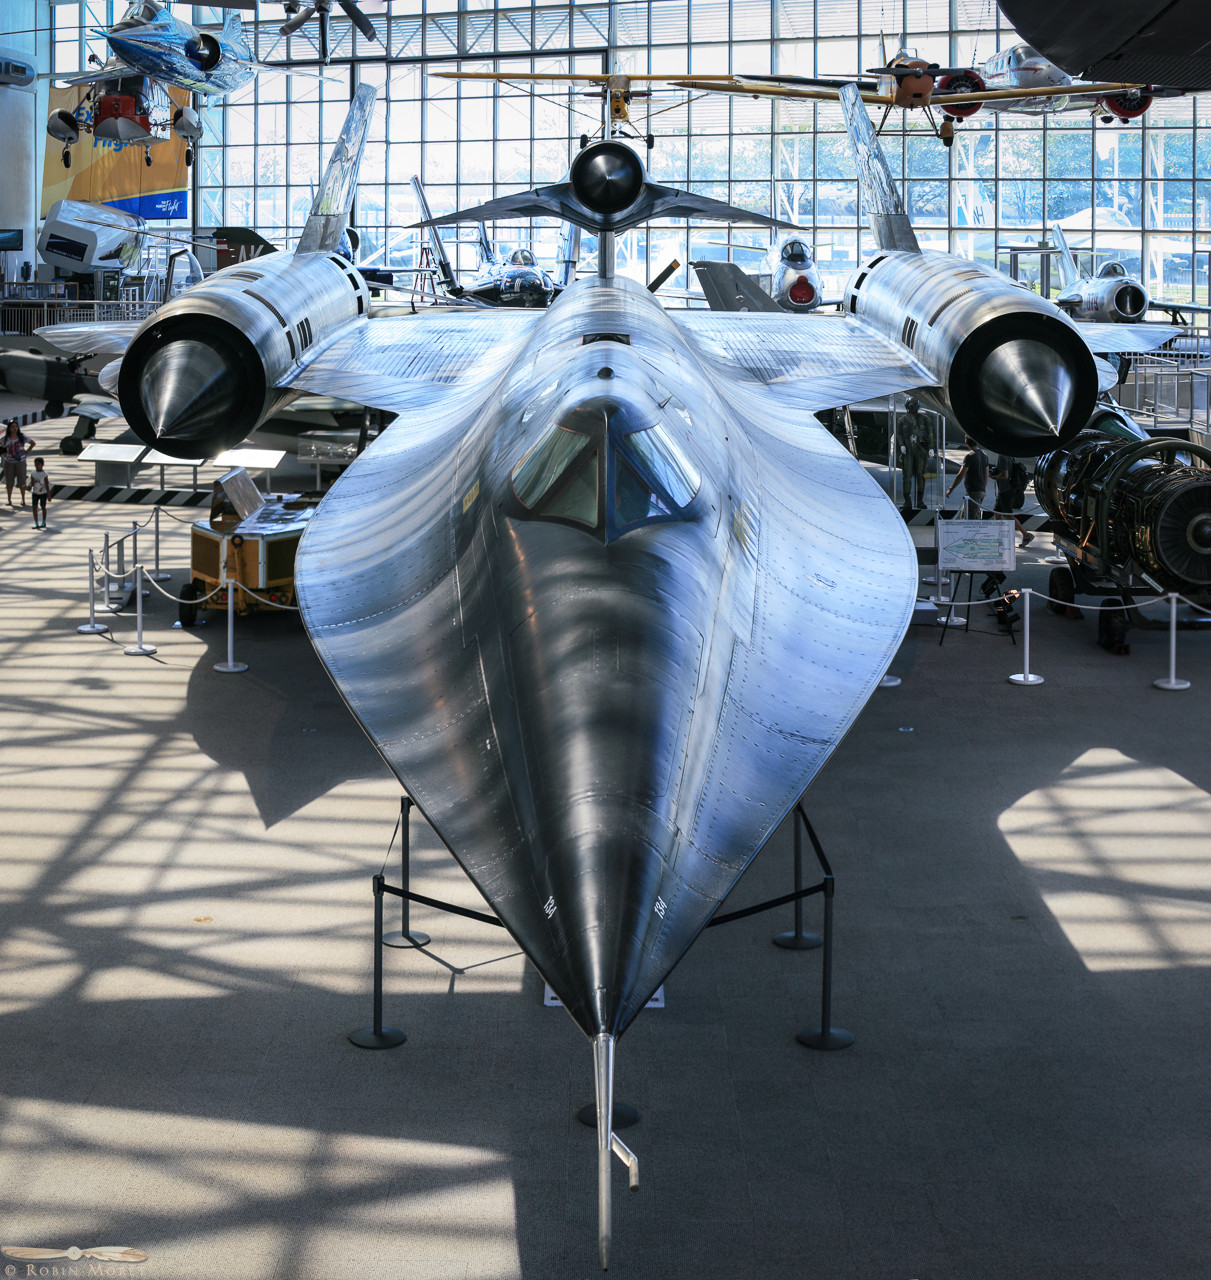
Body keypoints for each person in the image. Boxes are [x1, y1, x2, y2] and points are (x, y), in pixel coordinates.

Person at [989, 453, 1033, 547]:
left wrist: (993, 476)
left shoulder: (1002, 457)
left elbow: (1005, 475)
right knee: (997, 514)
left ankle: (1026, 535)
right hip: (1005, 490)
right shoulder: (1009, 455)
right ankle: (998, 538)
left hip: (1005, 491)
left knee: (1008, 515)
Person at [899, 397, 931, 511]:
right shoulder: (902, 420)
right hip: (908, 452)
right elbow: (898, 434)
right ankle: (908, 501)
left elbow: (930, 434)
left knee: (920, 475)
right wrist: (902, 445)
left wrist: (930, 448)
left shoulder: (924, 419)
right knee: (907, 476)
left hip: (920, 451)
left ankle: (919, 501)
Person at [945, 436, 988, 518]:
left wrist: (951, 489)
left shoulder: (969, 456)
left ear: (966, 443)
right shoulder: (984, 455)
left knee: (972, 518)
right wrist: (983, 488)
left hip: (973, 492)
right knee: (965, 516)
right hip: (980, 491)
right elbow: (986, 474)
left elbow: (961, 475)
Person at [3, 419, 35, 508]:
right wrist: (4, 452)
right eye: (12, 427)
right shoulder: (6, 438)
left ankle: (23, 499)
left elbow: (32, 443)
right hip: (9, 462)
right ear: (9, 428)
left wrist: (26, 452)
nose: (14, 428)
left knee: (22, 481)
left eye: (16, 426)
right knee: (9, 481)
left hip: (20, 462)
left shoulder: (22, 437)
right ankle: (9, 499)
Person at [28, 456, 50, 529]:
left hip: (43, 493)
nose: (37, 466)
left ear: (42, 465)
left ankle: (43, 521)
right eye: (35, 464)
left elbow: (46, 484)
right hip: (35, 492)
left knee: (43, 507)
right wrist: (28, 486)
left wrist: (48, 494)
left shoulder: (44, 474)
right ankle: (36, 523)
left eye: (38, 464)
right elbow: (32, 483)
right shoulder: (33, 473)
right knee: (34, 507)